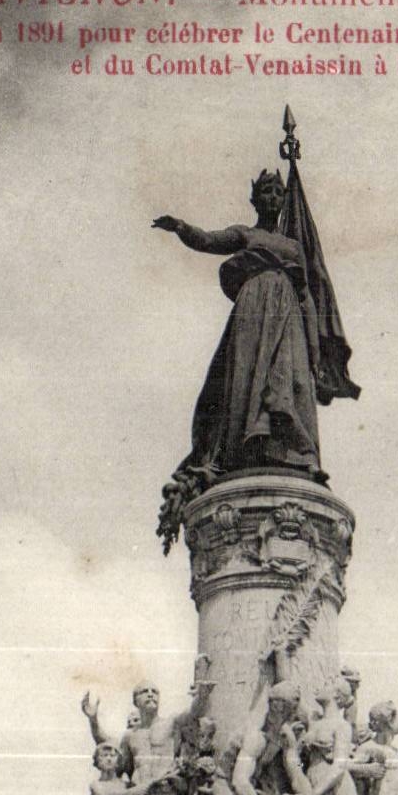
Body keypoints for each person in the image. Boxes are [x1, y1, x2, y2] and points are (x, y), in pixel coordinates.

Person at [153, 170, 323, 549]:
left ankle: (286, 449)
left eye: (278, 191)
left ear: (283, 199)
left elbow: (307, 297)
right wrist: (180, 226)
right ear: (254, 199)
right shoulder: (246, 235)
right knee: (247, 382)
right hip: (252, 315)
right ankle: (249, 445)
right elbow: (209, 240)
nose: (273, 196)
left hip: (287, 321)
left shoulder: (294, 249)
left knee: (286, 383)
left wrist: (313, 346)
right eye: (265, 190)